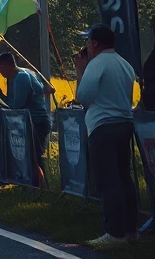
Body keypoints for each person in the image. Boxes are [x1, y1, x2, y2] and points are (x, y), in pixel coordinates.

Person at [74, 24, 138, 246]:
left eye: (88, 43)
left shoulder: (97, 63)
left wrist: (81, 70)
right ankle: (130, 230)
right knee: (124, 177)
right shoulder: (125, 64)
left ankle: (114, 233)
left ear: (94, 44)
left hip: (103, 125)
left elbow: (83, 96)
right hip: (124, 123)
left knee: (108, 179)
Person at [0, 52, 51, 186]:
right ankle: (32, 185)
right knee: (30, 155)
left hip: (36, 122)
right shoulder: (24, 73)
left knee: (34, 156)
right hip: (32, 121)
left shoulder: (21, 77)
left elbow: (17, 104)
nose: (0, 72)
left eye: (0, 68)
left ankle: (41, 187)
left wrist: (1, 97)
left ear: (8, 65)